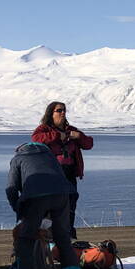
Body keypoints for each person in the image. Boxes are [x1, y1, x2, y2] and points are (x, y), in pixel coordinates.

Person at [2, 142, 82, 269]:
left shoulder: (18, 159)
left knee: (25, 237)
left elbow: (11, 188)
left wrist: (18, 210)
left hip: (35, 196)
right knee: (62, 236)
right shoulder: (49, 156)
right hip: (63, 194)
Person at [32, 102, 93, 238]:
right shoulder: (44, 129)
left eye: (64, 110)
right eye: (59, 110)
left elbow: (89, 144)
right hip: (50, 174)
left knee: (70, 204)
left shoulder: (71, 130)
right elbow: (35, 139)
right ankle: (49, 239)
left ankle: (68, 237)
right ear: (51, 113)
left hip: (69, 173)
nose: (63, 113)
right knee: (50, 207)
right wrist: (57, 136)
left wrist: (79, 137)